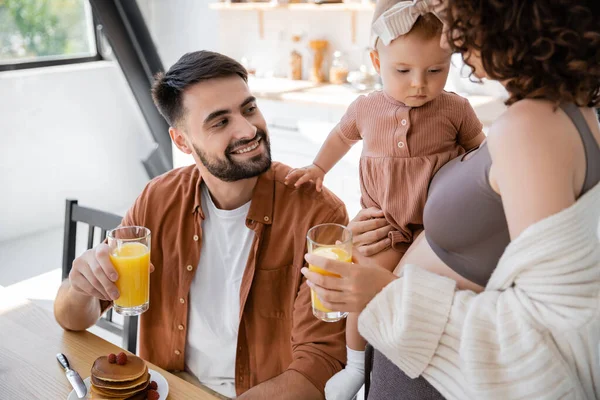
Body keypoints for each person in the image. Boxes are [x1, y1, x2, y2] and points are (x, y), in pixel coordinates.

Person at [302, 0, 600, 398]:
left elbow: (543, 323)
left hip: (434, 379)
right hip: (418, 360)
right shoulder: (566, 112)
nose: (449, 37)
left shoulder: (531, 127)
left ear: (504, 19)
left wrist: (385, 293)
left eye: (460, 16)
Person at [54, 50, 349, 400]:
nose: (248, 129)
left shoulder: (318, 213)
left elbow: (319, 364)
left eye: (249, 108)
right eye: (220, 122)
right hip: (167, 389)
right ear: (181, 141)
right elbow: (73, 319)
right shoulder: (157, 199)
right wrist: (80, 286)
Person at [285, 0, 485, 398]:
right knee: (362, 284)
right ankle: (356, 366)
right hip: (386, 225)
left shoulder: (456, 108)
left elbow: (482, 154)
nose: (419, 84)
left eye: (435, 71)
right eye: (403, 71)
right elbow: (341, 137)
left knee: (411, 299)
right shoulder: (365, 108)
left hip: (436, 229)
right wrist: (318, 168)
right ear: (377, 60)